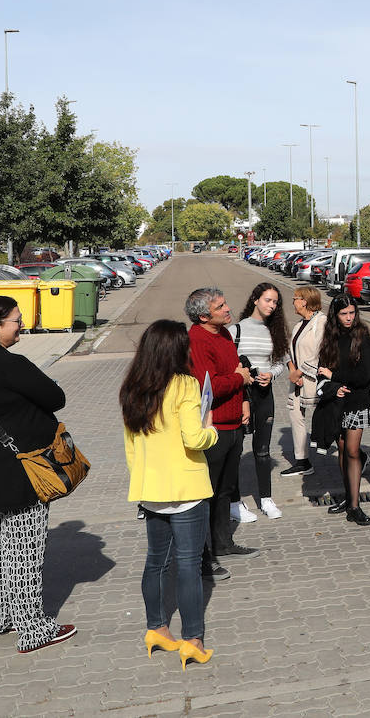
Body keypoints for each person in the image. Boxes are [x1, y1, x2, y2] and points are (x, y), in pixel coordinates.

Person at [0, 295, 77, 652]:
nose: (22, 324)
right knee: (24, 547)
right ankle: (33, 629)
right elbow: (55, 397)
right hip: (20, 469)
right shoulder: (10, 363)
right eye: (16, 319)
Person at [122, 320, 218, 669]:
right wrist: (211, 432)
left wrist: (143, 481)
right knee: (189, 566)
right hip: (186, 489)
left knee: (155, 562)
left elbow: (131, 447)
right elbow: (194, 439)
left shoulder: (133, 387)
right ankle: (193, 638)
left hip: (150, 489)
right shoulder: (185, 385)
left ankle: (157, 629)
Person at [185, 287, 257, 580]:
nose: (228, 309)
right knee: (207, 494)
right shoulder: (198, 340)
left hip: (234, 424)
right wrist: (238, 379)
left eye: (226, 303)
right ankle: (205, 557)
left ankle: (224, 543)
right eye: (221, 306)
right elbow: (209, 387)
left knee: (226, 489)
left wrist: (245, 399)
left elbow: (237, 372)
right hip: (213, 429)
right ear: (204, 316)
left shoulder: (224, 334)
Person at [229, 283, 290, 521]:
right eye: (267, 300)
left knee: (262, 450)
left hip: (265, 393)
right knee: (236, 449)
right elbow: (229, 363)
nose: (271, 306)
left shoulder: (274, 332)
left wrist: (271, 374)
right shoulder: (236, 330)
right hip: (242, 394)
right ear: (255, 299)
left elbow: (279, 362)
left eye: (275, 302)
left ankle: (266, 499)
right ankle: (235, 503)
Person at [319, 294, 370, 526]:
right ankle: (349, 497)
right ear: (335, 315)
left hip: (357, 402)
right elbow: (322, 369)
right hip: (337, 402)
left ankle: (355, 506)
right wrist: (334, 387)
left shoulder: (361, 336)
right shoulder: (330, 336)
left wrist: (336, 377)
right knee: (342, 449)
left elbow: (365, 375)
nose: (349, 318)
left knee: (353, 450)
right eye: (344, 314)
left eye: (352, 313)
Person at [280, 285, 325, 476]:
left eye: (295, 298)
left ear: (305, 301)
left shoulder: (322, 322)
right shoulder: (300, 324)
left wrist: (300, 372)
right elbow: (289, 350)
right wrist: (292, 370)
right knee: (296, 416)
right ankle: (302, 460)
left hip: (314, 379)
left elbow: (318, 352)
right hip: (296, 380)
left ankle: (350, 453)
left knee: (326, 418)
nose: (293, 302)